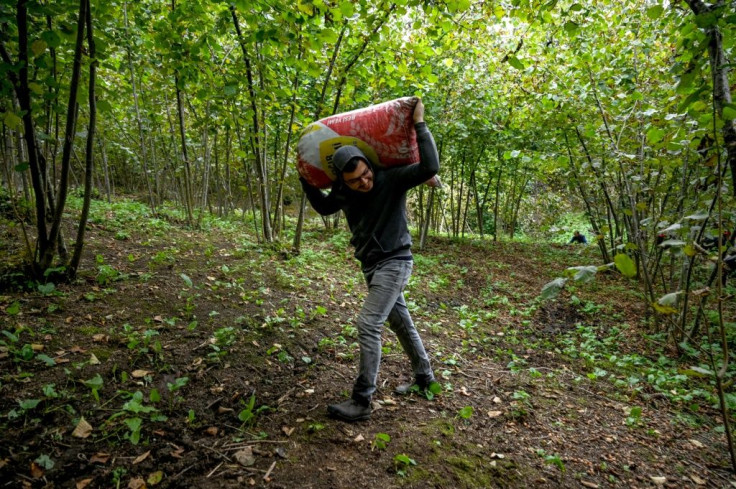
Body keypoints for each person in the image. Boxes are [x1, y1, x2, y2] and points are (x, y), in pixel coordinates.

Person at [299, 99, 439, 422]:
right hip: (372, 266)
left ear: (368, 164)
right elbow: (323, 207)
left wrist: (420, 123)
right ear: (343, 182)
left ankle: (362, 400)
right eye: (356, 180)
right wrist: (305, 175)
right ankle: (425, 378)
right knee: (399, 321)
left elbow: (429, 168)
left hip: (396, 262)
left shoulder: (391, 179)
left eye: (365, 174)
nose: (365, 182)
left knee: (368, 324)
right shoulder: (344, 193)